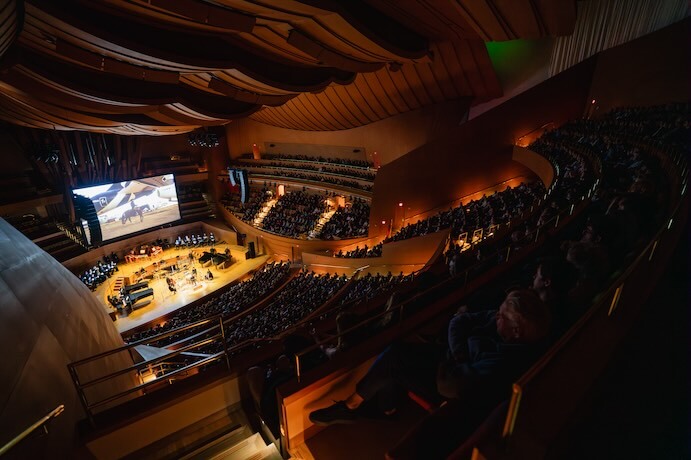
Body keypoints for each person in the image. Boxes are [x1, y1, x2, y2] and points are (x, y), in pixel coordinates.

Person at [309, 289, 552, 429]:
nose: (495, 316)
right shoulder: (502, 322)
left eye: (500, 316)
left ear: (517, 331)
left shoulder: (502, 363)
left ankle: (352, 405)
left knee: (395, 359)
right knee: (397, 354)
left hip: (448, 387)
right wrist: (459, 352)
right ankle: (385, 408)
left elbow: (451, 386)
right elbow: (459, 321)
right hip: (451, 359)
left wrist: (455, 357)